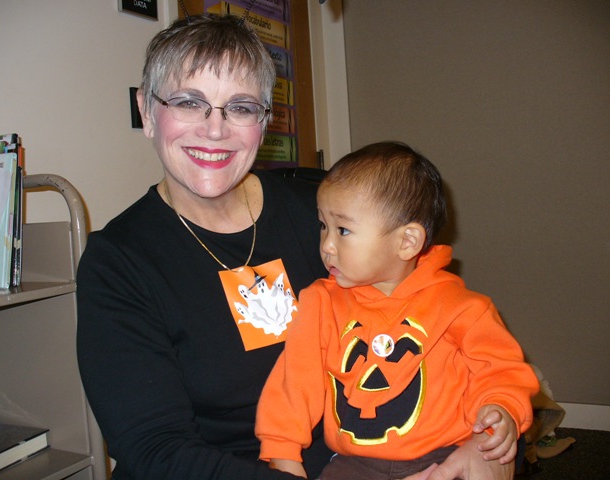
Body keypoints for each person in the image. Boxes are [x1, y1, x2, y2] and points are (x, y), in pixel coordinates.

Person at [76, 12, 524, 480]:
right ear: (148, 112)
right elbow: (156, 451)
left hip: (366, 457)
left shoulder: (327, 213)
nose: (215, 129)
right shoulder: (119, 262)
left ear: (265, 121)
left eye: (241, 107)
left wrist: (488, 444)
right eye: (189, 102)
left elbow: (447, 331)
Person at [255, 141, 540, 479]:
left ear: (407, 242)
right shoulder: (320, 303)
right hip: (354, 464)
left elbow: (500, 370)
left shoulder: (462, 308)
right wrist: (282, 452)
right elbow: (293, 384)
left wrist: (501, 409)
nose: (327, 245)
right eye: (323, 226)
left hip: (445, 455)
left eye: (343, 230)